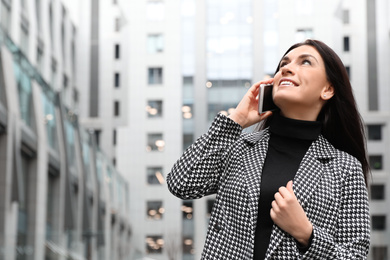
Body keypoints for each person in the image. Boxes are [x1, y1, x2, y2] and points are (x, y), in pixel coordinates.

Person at [167, 39, 370, 259]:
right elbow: (181, 184)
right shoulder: (240, 148)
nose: (286, 68)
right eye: (284, 63)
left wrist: (306, 234)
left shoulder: (345, 167)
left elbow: (354, 255)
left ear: (328, 90)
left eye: (305, 62)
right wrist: (236, 120)